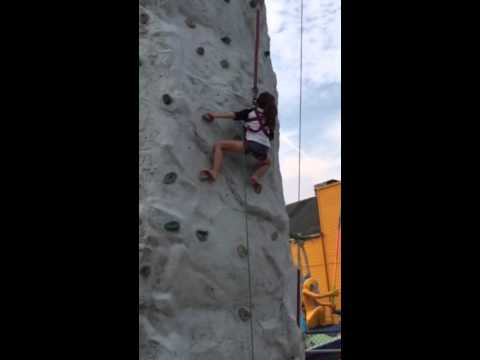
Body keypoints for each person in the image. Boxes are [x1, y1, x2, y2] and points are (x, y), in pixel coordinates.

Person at [199, 92, 277, 193]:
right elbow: (270, 137)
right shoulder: (270, 119)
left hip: (251, 145)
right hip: (264, 149)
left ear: (258, 102)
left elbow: (232, 115)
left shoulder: (250, 113)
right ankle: (255, 177)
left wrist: (214, 115)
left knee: (219, 145)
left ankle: (214, 172)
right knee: (267, 163)